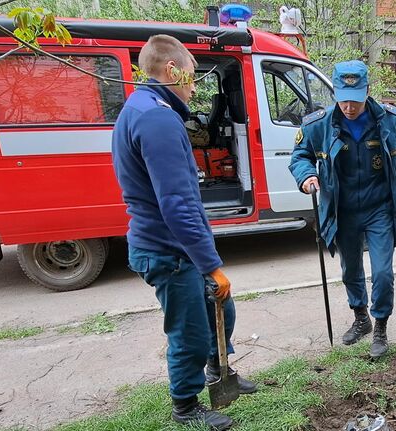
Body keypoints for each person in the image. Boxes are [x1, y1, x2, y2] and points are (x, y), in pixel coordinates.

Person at [111, 35, 255, 429]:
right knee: (189, 331)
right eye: (191, 77)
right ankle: (186, 408)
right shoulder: (156, 117)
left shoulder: (144, 107)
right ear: (171, 70)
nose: (194, 87)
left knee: (220, 309)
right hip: (168, 251)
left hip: (174, 246)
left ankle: (219, 373)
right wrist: (210, 265)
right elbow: (175, 204)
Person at [289, 60, 396, 359]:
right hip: (342, 209)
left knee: (383, 272)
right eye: (344, 99)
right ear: (335, 93)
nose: (349, 107)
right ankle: (361, 318)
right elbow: (300, 156)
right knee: (351, 269)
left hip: (379, 208)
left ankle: (381, 326)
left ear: (368, 91)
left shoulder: (389, 119)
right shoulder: (317, 125)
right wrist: (306, 175)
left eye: (356, 100)